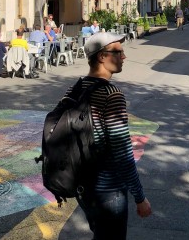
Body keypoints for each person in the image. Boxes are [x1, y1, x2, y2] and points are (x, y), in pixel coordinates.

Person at [65, 32, 152, 239]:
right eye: (118, 52)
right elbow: (122, 152)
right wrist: (140, 197)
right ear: (102, 57)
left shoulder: (75, 89)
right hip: (108, 190)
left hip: (83, 187)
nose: (124, 57)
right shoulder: (111, 94)